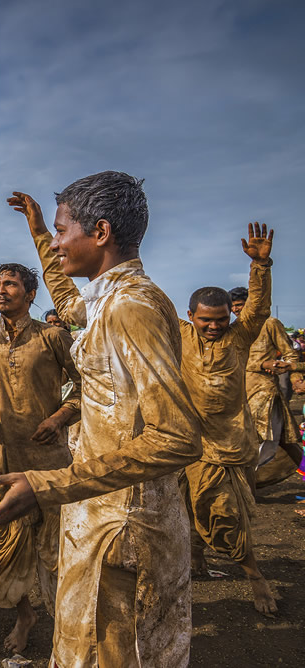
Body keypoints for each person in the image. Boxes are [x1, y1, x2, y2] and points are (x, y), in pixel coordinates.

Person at [0, 179, 202, 666]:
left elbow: (178, 438)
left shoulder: (132, 308)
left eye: (63, 231)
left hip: (125, 529)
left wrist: (51, 484)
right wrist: (39, 230)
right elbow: (68, 300)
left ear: (100, 232)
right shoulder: (107, 300)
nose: (58, 243)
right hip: (101, 512)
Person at [0, 263, 80, 654]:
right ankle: (26, 615)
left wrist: (60, 417)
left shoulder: (53, 337)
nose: (1, 290)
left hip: (48, 459)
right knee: (5, 539)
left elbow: (88, 386)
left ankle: (68, 622)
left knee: (58, 547)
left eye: (11, 284)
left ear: (31, 294)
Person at [177, 224, 280, 615]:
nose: (215, 325)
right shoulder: (181, 336)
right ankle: (213, 564)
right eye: (206, 320)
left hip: (235, 446)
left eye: (221, 319)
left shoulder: (240, 337)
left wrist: (261, 265)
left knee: (227, 514)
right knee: (196, 507)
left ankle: (251, 573)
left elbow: (257, 308)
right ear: (191, 317)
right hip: (192, 445)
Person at [230, 286, 305, 488]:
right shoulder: (234, 329)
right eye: (234, 306)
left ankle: (243, 488)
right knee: (284, 442)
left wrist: (292, 374)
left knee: (258, 441)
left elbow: (290, 355)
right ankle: (245, 487)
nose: (237, 309)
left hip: (264, 393)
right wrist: (260, 364)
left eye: (240, 305)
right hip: (240, 391)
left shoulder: (270, 324)